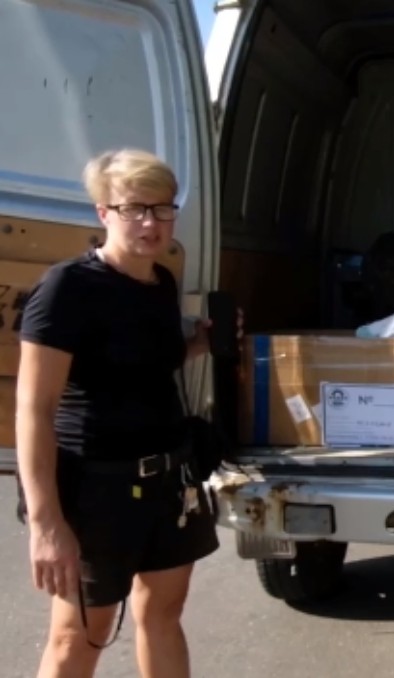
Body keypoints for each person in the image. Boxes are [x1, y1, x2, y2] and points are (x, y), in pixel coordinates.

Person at [15, 148, 235, 678]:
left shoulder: (160, 282)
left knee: (163, 614)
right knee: (77, 637)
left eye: (161, 209)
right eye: (133, 208)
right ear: (104, 212)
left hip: (168, 480)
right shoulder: (67, 288)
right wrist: (46, 525)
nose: (150, 223)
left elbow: (140, 367)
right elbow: (34, 410)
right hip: (94, 490)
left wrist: (199, 345)